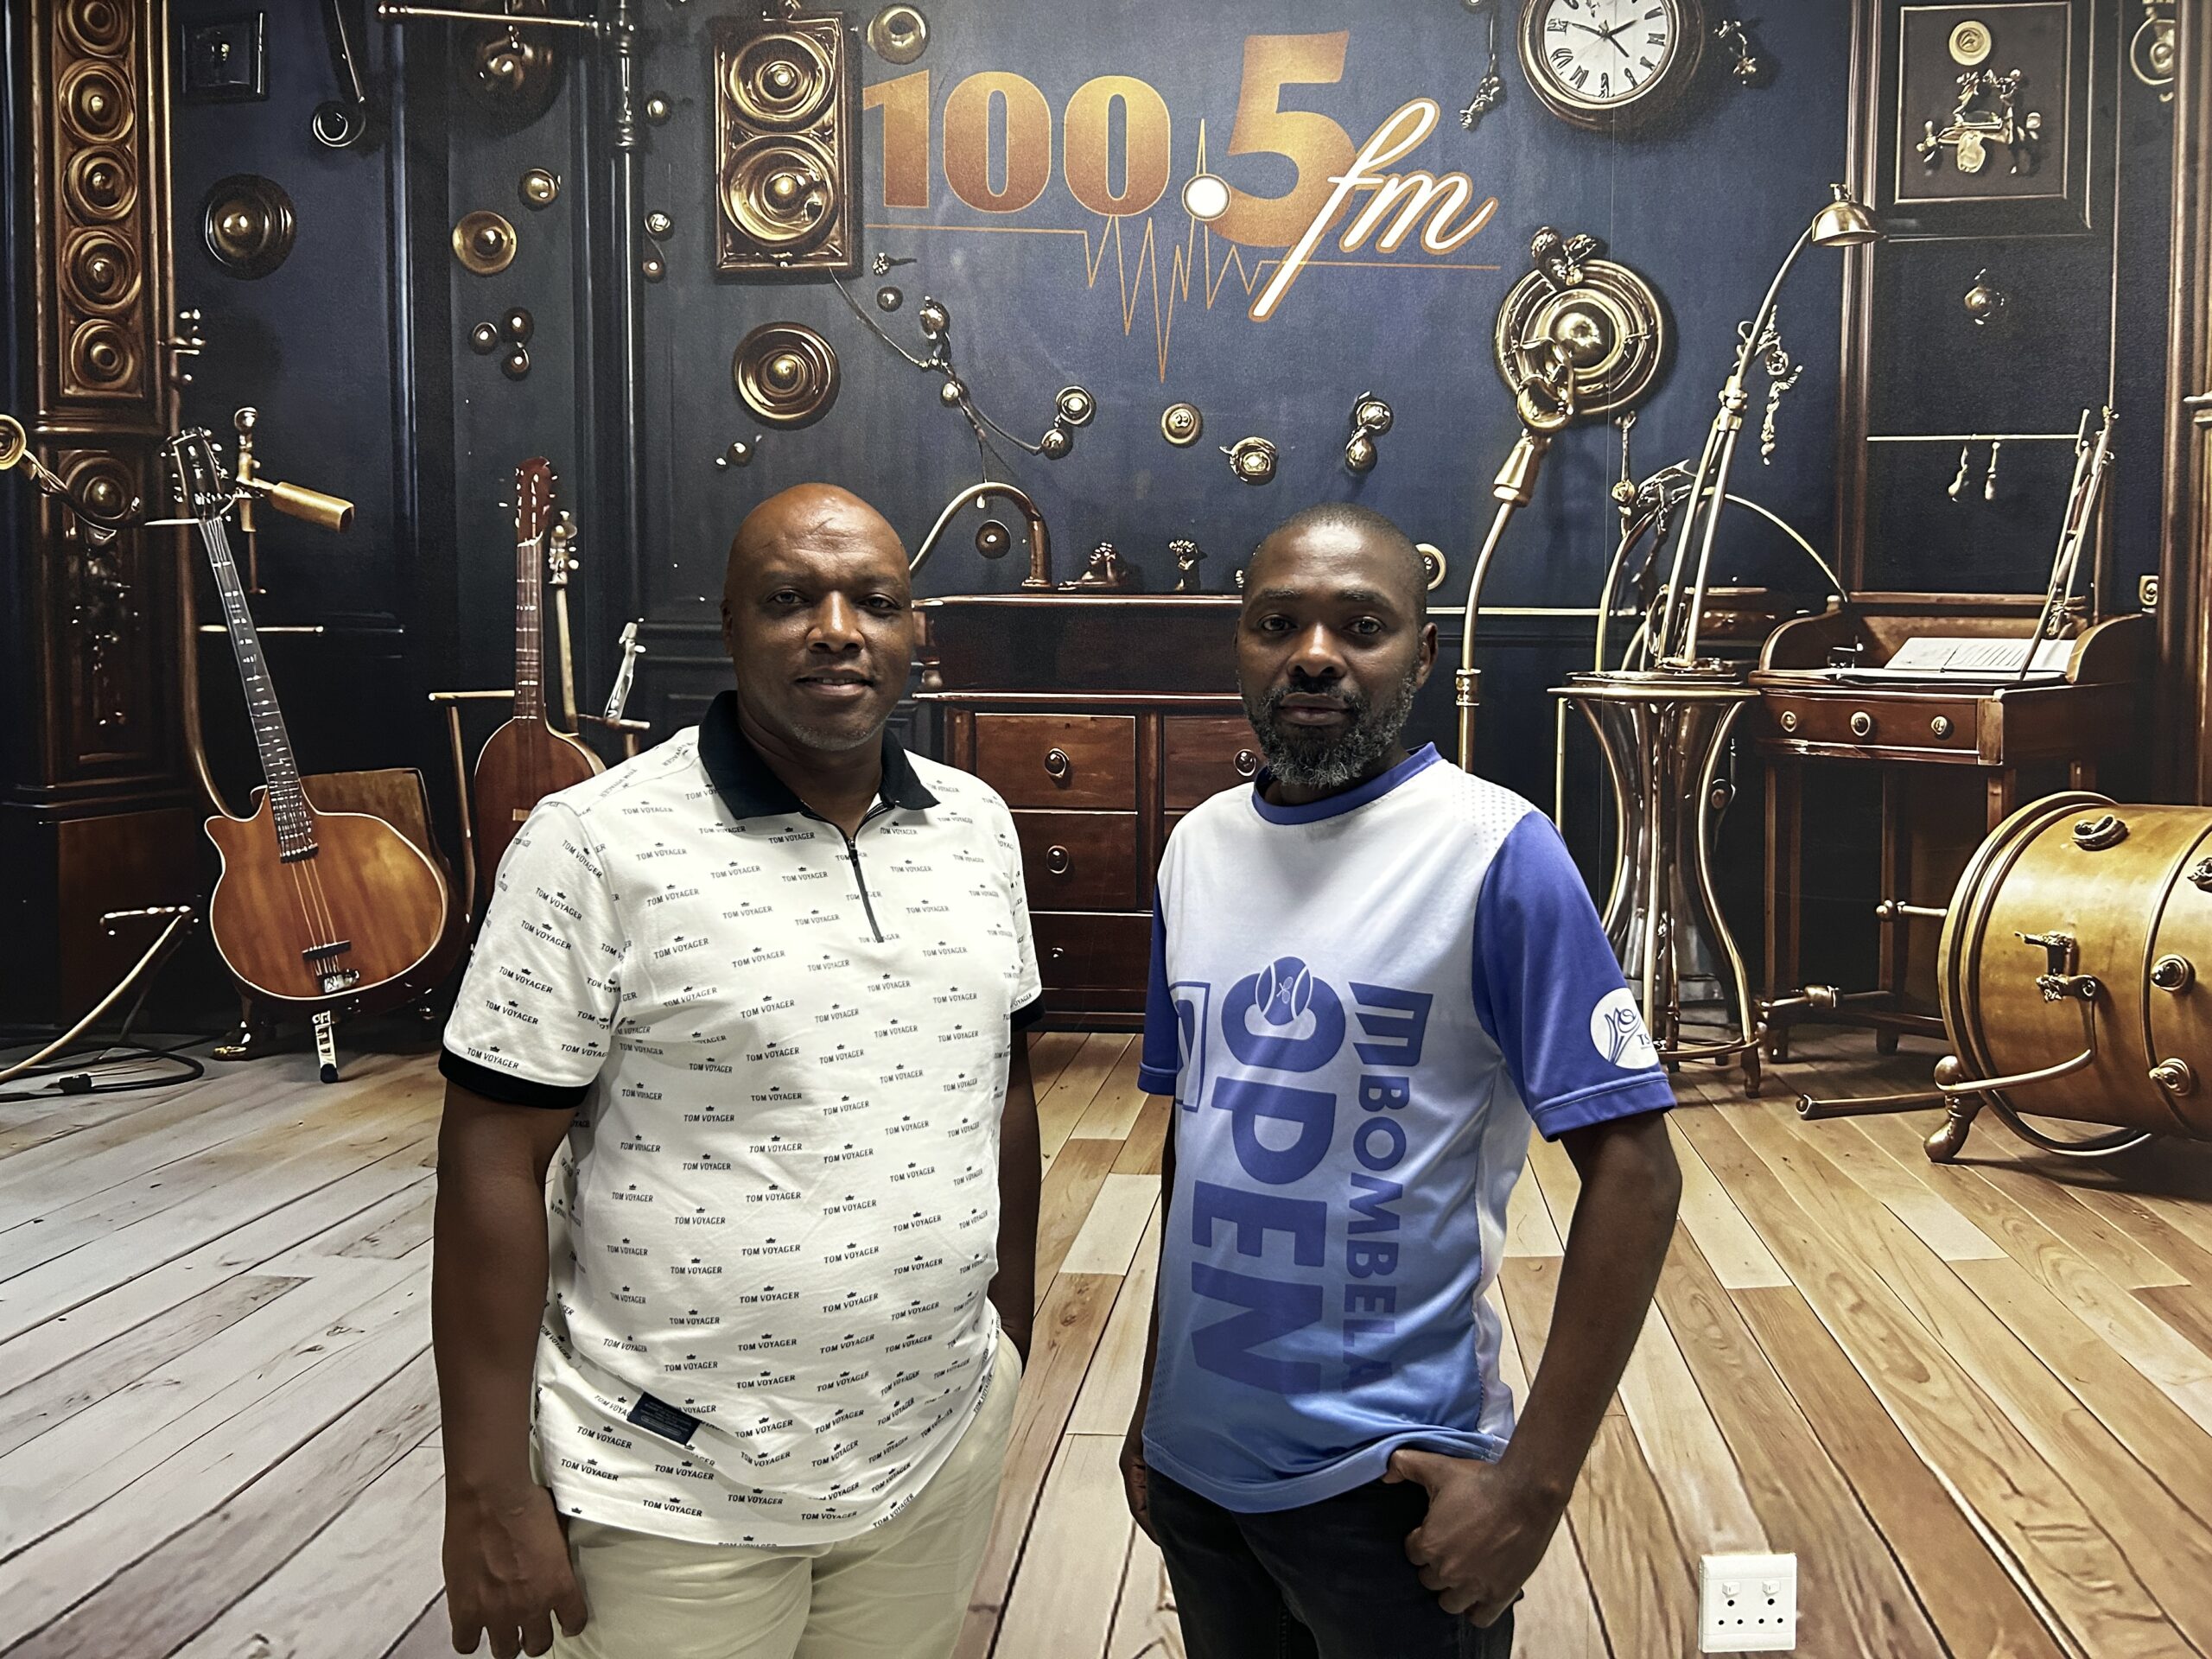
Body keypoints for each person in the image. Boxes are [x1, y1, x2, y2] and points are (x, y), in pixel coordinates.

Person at [433, 484, 1044, 1659]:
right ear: (728, 626)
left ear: (916, 631)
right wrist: (488, 1489)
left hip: (929, 1449)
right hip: (670, 1481)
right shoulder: (593, 841)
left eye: (875, 602)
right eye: (789, 600)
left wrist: (1003, 1342)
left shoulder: (975, 826)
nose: (836, 630)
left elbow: (1001, 1087)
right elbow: (489, 1161)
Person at [1122, 503, 1681, 1658]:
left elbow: (1638, 1174)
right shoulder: (1197, 849)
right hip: (1198, 1473)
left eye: (1361, 626)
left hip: (1393, 1488)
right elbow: (1198, 1147)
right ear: (1240, 643)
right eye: (1278, 623)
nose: (1314, 655)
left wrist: (1531, 1488)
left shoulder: (1497, 852)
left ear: (1422, 655)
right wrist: (1151, 1407)